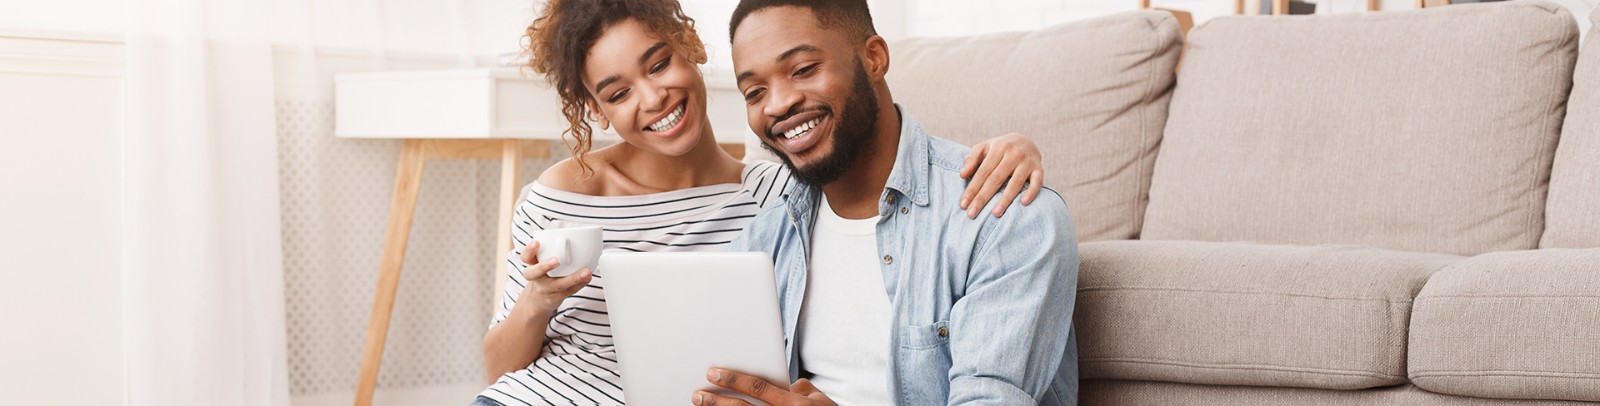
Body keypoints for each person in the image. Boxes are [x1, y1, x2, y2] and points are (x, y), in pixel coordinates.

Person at [474, 0, 1053, 404]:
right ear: (599, 111)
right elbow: (499, 366)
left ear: (689, 50)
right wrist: (536, 301)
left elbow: (896, 171)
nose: (651, 98)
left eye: (658, 64)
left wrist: (1015, 148)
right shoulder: (562, 194)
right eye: (619, 92)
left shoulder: (772, 195)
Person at [698, 1, 1081, 405]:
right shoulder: (763, 240)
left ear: (874, 58)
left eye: (803, 69)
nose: (776, 105)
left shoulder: (1004, 219)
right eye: (754, 92)